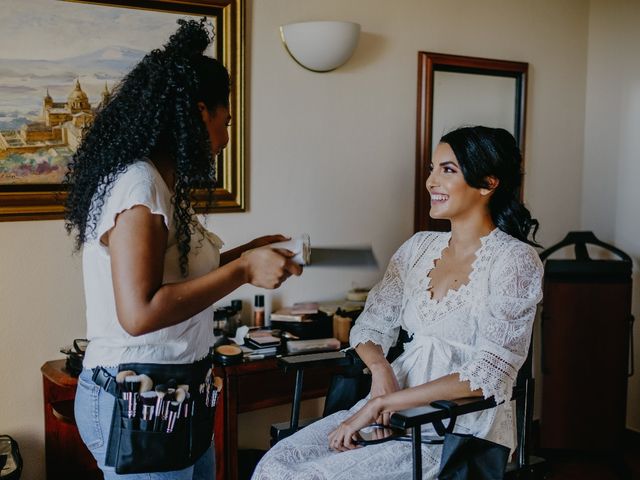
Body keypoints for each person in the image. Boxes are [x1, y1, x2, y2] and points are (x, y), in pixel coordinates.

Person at [65, 19, 302, 480]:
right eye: (225, 122)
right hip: (136, 401)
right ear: (198, 112)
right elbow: (139, 313)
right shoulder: (138, 185)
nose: (227, 138)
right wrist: (243, 272)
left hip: (175, 395)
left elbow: (174, 277)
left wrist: (245, 254)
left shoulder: (158, 183)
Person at [252, 126, 543, 480]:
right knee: (275, 465)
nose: (431, 182)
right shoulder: (418, 248)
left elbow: (489, 374)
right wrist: (381, 371)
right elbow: (372, 326)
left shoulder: (515, 261)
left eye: (447, 170)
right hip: (390, 410)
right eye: (431, 169)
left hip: (454, 430)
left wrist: (383, 403)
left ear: (487, 184)